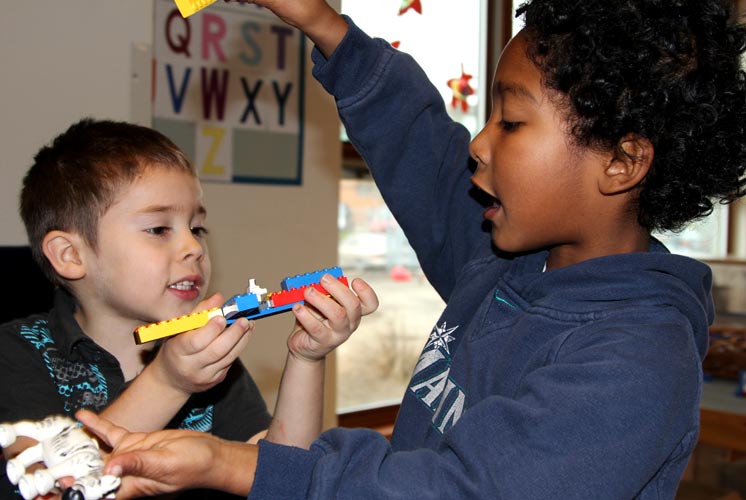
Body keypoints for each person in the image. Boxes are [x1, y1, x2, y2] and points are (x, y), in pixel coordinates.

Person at [76, 0, 746, 498]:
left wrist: (227, 463)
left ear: (623, 163)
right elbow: (425, 153)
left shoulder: (637, 361)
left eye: (511, 122)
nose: (480, 144)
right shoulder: (505, 257)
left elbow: (459, 489)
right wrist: (322, 23)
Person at [0, 118, 378, 498]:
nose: (194, 248)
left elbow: (286, 476)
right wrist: (169, 383)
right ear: (70, 256)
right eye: (159, 229)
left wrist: (307, 359)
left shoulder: (205, 359)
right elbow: (43, 485)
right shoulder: (16, 353)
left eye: (197, 228)